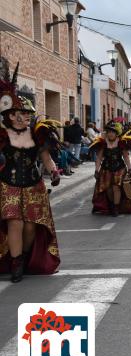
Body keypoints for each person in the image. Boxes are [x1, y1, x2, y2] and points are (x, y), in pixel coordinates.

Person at [0, 65, 61, 282]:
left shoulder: (38, 133)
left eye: (25, 114)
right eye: (16, 113)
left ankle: (24, 256)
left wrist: (54, 171)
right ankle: (16, 263)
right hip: (8, 184)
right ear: (8, 115)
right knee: (13, 222)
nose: (20, 117)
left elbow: (45, 158)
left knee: (30, 226)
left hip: (34, 185)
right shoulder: (2, 135)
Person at [91, 121, 131, 216]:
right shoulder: (102, 143)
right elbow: (99, 158)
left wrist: (129, 168)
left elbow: (125, 157)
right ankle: (112, 205)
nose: (110, 134)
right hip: (106, 169)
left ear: (116, 133)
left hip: (119, 169)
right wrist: (96, 170)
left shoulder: (122, 143)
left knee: (116, 187)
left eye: (113, 132)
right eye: (109, 132)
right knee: (108, 188)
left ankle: (116, 208)